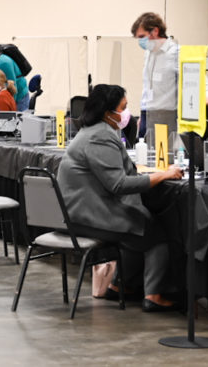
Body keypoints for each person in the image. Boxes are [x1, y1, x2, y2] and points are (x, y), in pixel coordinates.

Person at [56, 84, 184, 312]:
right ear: (107, 112)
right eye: (123, 108)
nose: (127, 113)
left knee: (138, 225)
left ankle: (120, 285)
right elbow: (119, 184)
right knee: (157, 232)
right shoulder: (101, 136)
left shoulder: (91, 131)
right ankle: (153, 295)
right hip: (87, 217)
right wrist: (163, 175)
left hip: (79, 211)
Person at [131, 12, 179, 142]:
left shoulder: (175, 52)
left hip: (166, 114)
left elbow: (195, 81)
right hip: (147, 113)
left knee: (162, 152)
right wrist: (143, 113)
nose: (140, 41)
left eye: (142, 36)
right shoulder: (148, 54)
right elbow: (147, 86)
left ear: (155, 31)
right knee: (144, 150)